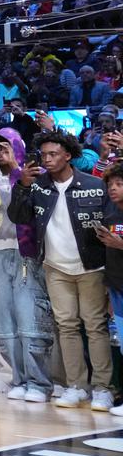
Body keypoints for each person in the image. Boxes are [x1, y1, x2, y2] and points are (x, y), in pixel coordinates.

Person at [9, 130, 111, 411]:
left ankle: (103, 388)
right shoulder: (37, 185)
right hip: (55, 267)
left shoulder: (94, 184)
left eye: (53, 154)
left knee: (95, 327)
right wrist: (23, 187)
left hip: (91, 266)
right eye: (44, 155)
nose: (47, 159)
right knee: (66, 328)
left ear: (68, 155)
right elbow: (18, 217)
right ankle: (76, 386)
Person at [0, 129, 53, 403]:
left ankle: (39, 382)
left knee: (30, 318)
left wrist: (19, 171)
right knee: (4, 322)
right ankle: (17, 379)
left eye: (4, 146)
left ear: (16, 145)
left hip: (26, 253)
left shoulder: (32, 175)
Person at [94, 162, 123, 416]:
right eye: (110, 184)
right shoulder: (111, 213)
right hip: (116, 286)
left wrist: (120, 244)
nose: (113, 188)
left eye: (119, 184)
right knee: (122, 345)